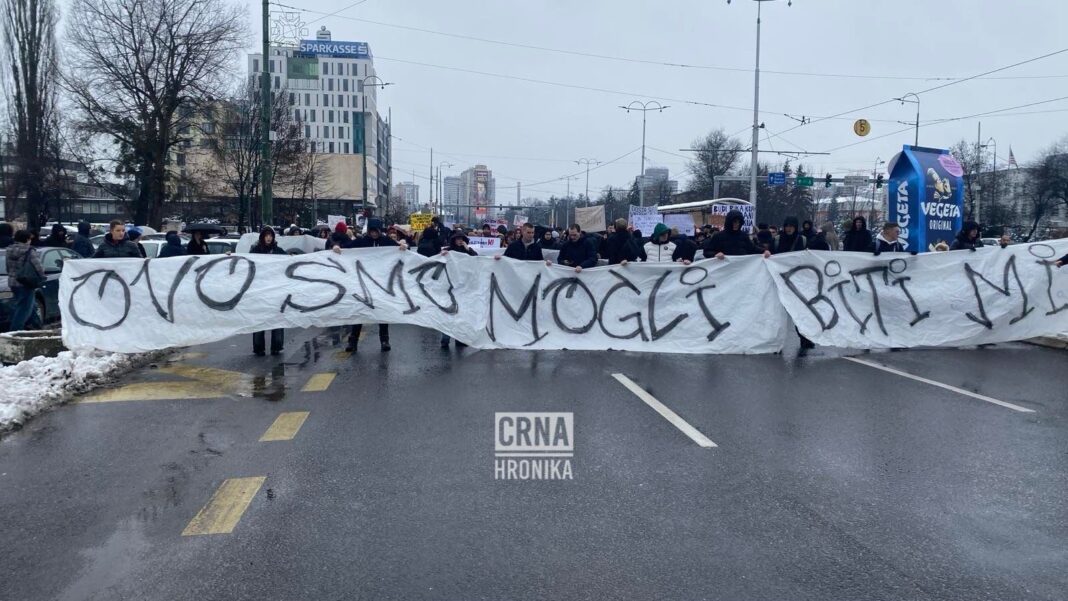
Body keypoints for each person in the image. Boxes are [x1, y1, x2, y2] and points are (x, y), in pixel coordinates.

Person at [333, 218, 405, 352]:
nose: (374, 234)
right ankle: (353, 342)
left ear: (379, 231)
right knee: (360, 311)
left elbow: (399, 247)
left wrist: (402, 244)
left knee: (382, 312)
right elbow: (347, 248)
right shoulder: (361, 241)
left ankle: (384, 340)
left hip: (381, 283)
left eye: (376, 231)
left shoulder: (385, 241)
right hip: (363, 283)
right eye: (371, 231)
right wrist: (338, 248)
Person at [250, 227, 287, 356]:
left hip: (276, 293)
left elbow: (289, 262)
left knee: (276, 319)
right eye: (266, 235)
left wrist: (292, 258)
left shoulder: (278, 251)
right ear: (262, 237)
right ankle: (258, 347)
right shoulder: (255, 251)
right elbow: (245, 264)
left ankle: (276, 346)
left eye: (270, 235)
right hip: (260, 292)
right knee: (259, 320)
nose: (268, 238)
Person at [5, 229, 45, 331]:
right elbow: (38, 266)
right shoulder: (29, 251)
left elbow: (8, 267)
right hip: (26, 282)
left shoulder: (9, 250)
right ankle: (15, 331)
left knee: (29, 306)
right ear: (27, 239)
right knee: (24, 309)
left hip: (13, 281)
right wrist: (42, 276)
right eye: (29, 239)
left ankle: (37, 327)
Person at [703, 210, 769, 258]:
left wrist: (764, 251)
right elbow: (707, 252)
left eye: (739, 222)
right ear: (729, 222)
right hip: (723, 270)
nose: (737, 224)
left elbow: (752, 249)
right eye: (734, 222)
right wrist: (715, 254)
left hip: (741, 270)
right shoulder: (718, 236)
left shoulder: (743, 236)